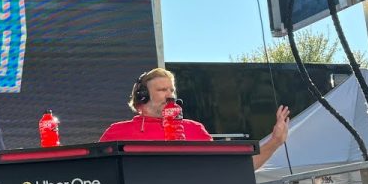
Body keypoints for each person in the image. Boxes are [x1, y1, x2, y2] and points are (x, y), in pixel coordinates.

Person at [99, 67, 289, 171]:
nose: (170, 95)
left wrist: (275, 142)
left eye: (171, 90)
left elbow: (231, 171)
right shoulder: (117, 132)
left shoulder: (194, 129)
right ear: (142, 97)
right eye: (162, 90)